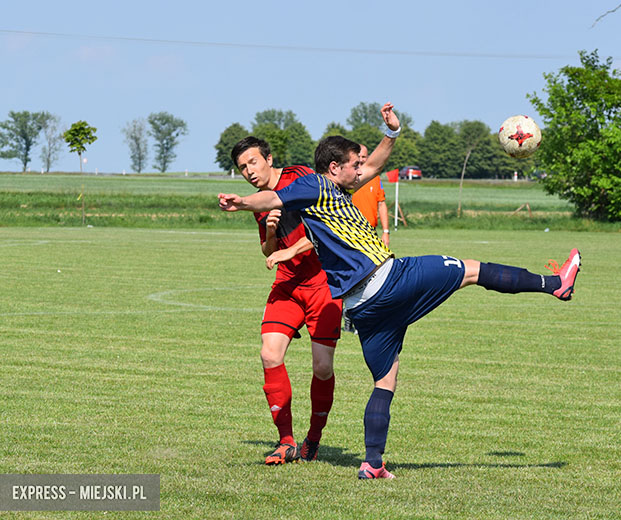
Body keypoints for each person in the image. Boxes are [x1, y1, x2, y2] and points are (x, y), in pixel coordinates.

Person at [219, 103, 581, 479]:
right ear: (333, 168)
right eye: (353, 165)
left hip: (362, 308)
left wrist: (391, 132)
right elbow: (272, 199)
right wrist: (244, 202)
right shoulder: (316, 184)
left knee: (385, 381)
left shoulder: (334, 189)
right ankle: (556, 284)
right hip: (390, 278)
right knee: (472, 270)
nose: (361, 170)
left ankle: (372, 463)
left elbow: (372, 163)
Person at [230, 136, 342, 465]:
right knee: (269, 354)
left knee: (322, 368)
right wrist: (269, 233)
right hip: (288, 282)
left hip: (323, 283)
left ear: (268, 158)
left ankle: (314, 439)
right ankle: (287, 441)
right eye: (242, 168)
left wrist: (290, 250)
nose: (249, 171)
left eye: (252, 162)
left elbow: (327, 229)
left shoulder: (301, 178)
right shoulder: (261, 200)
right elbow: (268, 249)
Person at [341, 143, 389, 334]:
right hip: (350, 233)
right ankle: (348, 315)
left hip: (371, 234)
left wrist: (386, 231)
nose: (362, 159)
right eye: (358, 156)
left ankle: (365, 316)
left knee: (374, 277)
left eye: (365, 157)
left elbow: (382, 204)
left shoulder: (375, 178)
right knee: (351, 277)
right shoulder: (347, 179)